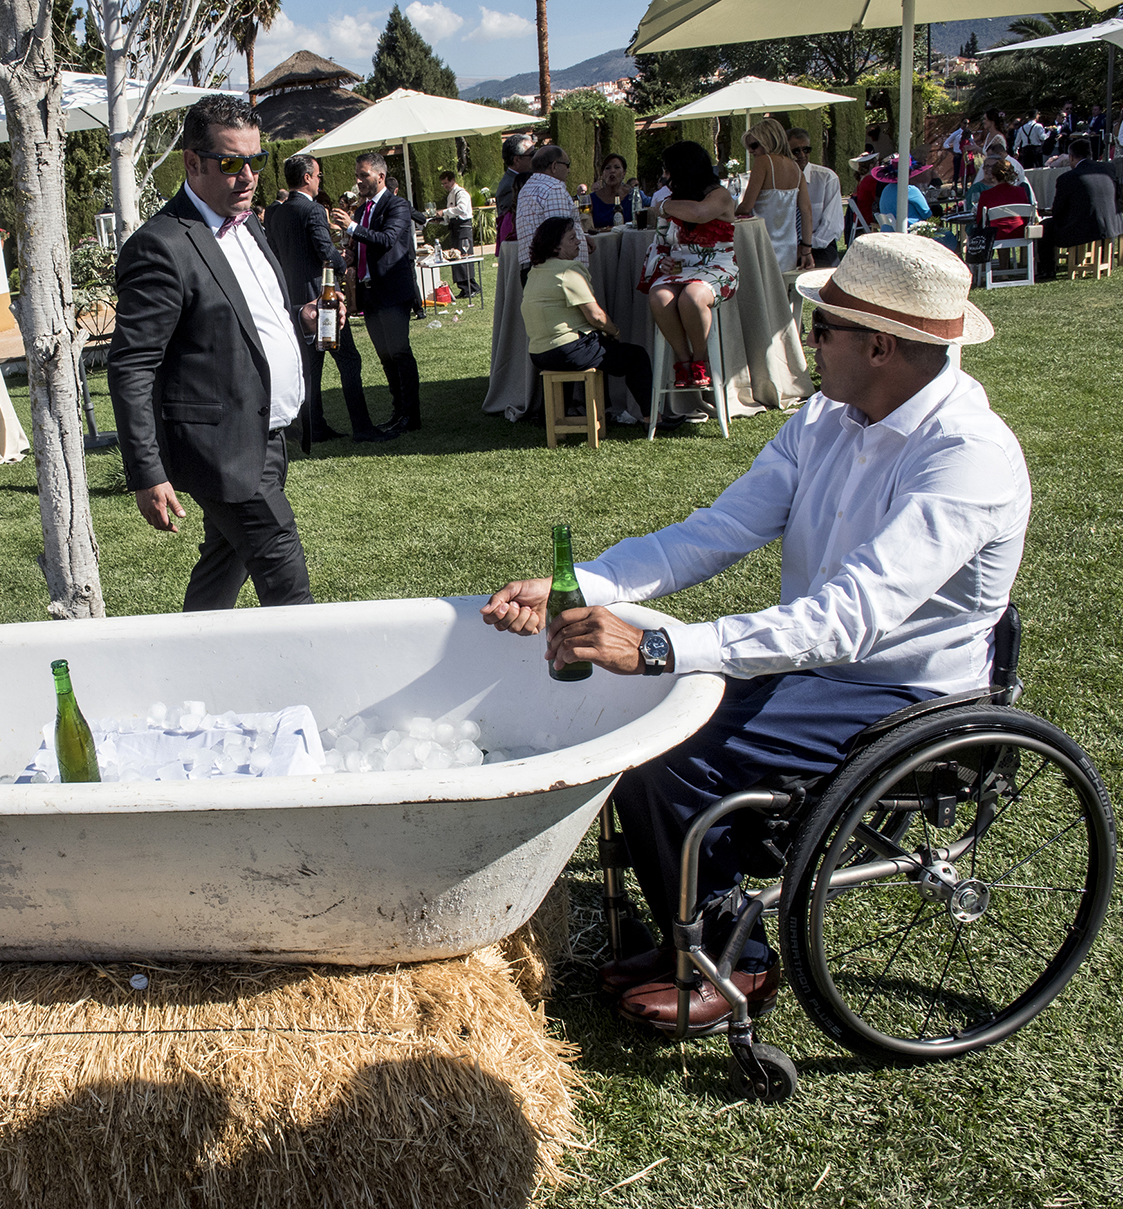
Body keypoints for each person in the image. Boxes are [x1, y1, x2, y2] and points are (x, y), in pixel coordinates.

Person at [483, 232, 1025, 1034]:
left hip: (906, 694)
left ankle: (736, 960)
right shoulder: (830, 418)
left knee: (676, 751)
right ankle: (688, 935)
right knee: (647, 730)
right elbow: (717, 530)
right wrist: (584, 583)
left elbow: (850, 619)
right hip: (825, 668)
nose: (809, 339)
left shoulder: (967, 457)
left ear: (877, 346)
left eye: (823, 326)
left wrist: (660, 647)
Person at [107, 93, 315, 612]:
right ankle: (313, 684)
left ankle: (188, 662)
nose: (247, 176)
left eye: (255, 161)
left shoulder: (249, 224)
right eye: (230, 163)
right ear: (192, 162)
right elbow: (132, 366)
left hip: (267, 435)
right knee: (284, 572)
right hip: (221, 449)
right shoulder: (161, 245)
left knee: (226, 560)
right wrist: (147, 471)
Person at [266, 153, 392, 444]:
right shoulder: (312, 212)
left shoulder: (278, 213)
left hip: (293, 304)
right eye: (319, 175)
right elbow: (326, 252)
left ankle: (313, 426)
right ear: (308, 177)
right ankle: (362, 426)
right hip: (322, 303)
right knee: (349, 360)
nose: (320, 180)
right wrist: (342, 260)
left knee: (311, 369)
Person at [521, 216, 657, 425]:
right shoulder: (568, 270)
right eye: (572, 238)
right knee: (636, 356)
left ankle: (553, 418)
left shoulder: (535, 271)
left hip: (538, 353)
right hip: (567, 350)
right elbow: (596, 316)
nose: (579, 241)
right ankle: (652, 418)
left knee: (597, 349)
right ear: (556, 246)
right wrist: (615, 331)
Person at [330, 151, 424, 434]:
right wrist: (349, 254)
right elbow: (363, 244)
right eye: (357, 175)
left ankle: (412, 414)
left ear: (380, 177)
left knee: (399, 352)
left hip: (392, 291)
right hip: (369, 293)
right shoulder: (361, 210)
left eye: (364, 175)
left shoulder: (397, 206)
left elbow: (386, 240)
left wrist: (352, 227)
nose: (358, 181)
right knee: (385, 355)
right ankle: (398, 411)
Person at [637, 140, 736, 392]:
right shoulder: (673, 199)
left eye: (668, 170)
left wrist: (663, 206)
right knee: (659, 297)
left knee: (692, 296)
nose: (664, 176)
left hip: (717, 266)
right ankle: (684, 360)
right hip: (679, 269)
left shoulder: (719, 195)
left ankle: (700, 357)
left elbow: (700, 213)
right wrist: (663, 260)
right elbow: (659, 242)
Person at [735, 118, 814, 273]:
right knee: (781, 292)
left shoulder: (764, 161)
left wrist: (728, 215)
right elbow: (807, 212)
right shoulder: (796, 169)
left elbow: (747, 206)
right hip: (788, 245)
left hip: (762, 241)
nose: (751, 151)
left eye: (754, 145)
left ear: (767, 141)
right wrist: (807, 249)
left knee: (761, 292)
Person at [1039, 137, 1123, 278]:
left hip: (1082, 227)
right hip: (1111, 222)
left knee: (1045, 226)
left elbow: (1058, 210)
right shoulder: (1108, 168)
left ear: (1071, 157)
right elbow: (1118, 195)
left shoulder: (1067, 178)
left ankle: (1047, 269)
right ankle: (1105, 260)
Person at [514, 143, 590, 285]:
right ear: (554, 166)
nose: (569, 170)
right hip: (556, 272)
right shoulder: (554, 188)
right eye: (567, 165)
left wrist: (583, 238)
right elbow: (560, 238)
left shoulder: (526, 188)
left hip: (533, 269)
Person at [788, 126, 843, 266]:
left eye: (806, 149)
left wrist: (806, 246)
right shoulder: (779, 181)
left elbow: (832, 225)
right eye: (795, 151)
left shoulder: (826, 178)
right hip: (787, 248)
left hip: (820, 247)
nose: (801, 154)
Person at [437, 168, 477, 298]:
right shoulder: (450, 195)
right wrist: (440, 220)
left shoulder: (461, 193)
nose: (444, 186)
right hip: (455, 228)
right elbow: (451, 215)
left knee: (464, 256)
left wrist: (445, 211)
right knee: (455, 257)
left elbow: (461, 209)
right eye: (443, 184)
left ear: (453, 180)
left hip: (463, 227)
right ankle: (464, 287)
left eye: (446, 183)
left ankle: (472, 287)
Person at [977, 156, 1034, 240]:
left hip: (997, 234)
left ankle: (1004, 254)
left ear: (993, 175)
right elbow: (1026, 216)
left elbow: (979, 219)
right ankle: (1025, 253)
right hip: (1020, 230)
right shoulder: (1021, 191)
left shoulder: (987, 194)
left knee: (998, 228)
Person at [494, 132, 534, 247]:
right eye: (531, 154)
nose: (535, 158)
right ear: (517, 160)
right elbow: (512, 221)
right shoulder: (509, 186)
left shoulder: (523, 178)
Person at [580, 152, 639, 231]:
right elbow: (586, 228)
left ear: (624, 173)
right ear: (603, 174)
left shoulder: (633, 196)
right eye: (607, 168)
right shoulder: (591, 200)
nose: (612, 171)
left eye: (617, 167)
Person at [873, 155, 931, 229]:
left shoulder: (886, 189)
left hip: (890, 233)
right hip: (911, 233)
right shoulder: (909, 190)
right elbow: (927, 214)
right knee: (947, 235)